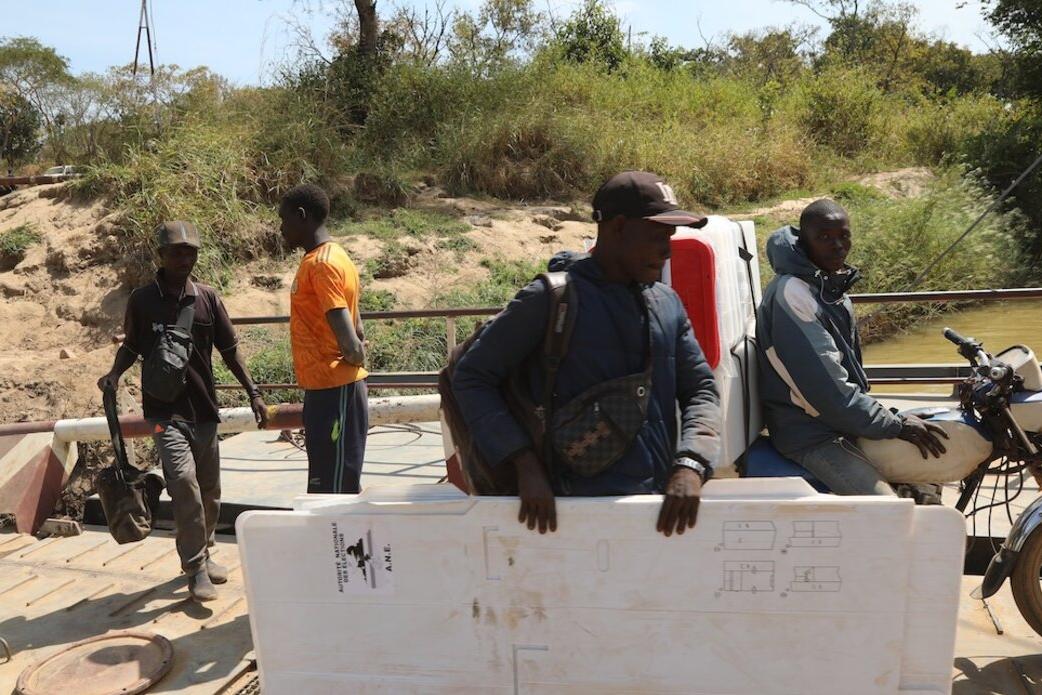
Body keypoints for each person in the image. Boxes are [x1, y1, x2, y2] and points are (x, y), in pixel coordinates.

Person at [451, 171, 721, 536]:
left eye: (670, 237)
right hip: (566, 518)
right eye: (657, 236)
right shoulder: (551, 300)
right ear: (618, 227)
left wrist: (691, 463)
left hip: (655, 514)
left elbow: (701, 389)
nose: (667, 250)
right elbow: (471, 377)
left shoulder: (667, 303)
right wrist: (524, 466)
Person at [98, 221, 269, 601]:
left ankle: (205, 552)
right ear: (160, 256)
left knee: (209, 490)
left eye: (190, 251)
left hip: (204, 410)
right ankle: (194, 567)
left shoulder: (207, 298)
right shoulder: (142, 300)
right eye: (176, 251)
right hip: (164, 413)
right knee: (184, 485)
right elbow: (131, 347)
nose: (184, 258)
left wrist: (253, 393)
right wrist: (114, 373)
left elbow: (230, 350)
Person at [756, 199, 948, 496]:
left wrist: (889, 418)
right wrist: (894, 423)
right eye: (824, 238)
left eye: (843, 235)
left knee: (930, 470)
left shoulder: (828, 287)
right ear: (805, 243)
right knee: (887, 510)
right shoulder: (794, 295)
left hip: (840, 423)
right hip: (811, 434)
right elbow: (828, 393)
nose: (838, 246)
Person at [278, 184, 369, 494]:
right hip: (324, 390)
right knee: (325, 488)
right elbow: (358, 329)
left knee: (335, 492)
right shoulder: (332, 257)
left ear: (302, 216)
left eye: (284, 220)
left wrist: (353, 356)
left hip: (335, 391)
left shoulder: (322, 264)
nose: (281, 228)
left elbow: (350, 336)